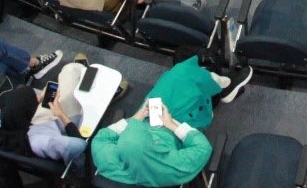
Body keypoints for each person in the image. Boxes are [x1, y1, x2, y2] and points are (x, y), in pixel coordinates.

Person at [91, 56, 250, 187]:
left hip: (145, 117)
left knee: (169, 82)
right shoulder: (169, 167)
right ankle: (218, 85)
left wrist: (135, 119)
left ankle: (209, 79)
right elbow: (202, 148)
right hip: (173, 126)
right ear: (150, 145)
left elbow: (101, 138)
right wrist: (172, 125)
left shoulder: (111, 162)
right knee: (180, 82)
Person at [0, 73, 93, 166]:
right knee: (70, 73)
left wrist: (39, 99)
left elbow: (14, 112)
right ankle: (78, 69)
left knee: (55, 89)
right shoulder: (47, 143)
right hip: (61, 128)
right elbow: (80, 145)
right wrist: (60, 114)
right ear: (28, 114)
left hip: (40, 125)